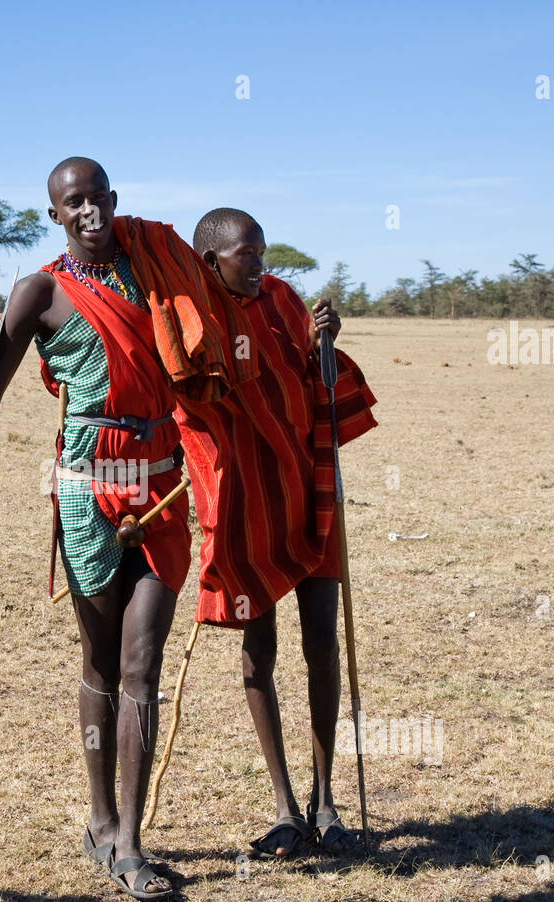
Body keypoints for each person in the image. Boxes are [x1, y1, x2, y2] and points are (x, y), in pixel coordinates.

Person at [0, 158, 250, 902]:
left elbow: (232, 289)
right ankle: (100, 819)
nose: (90, 210)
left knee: (142, 663)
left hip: (162, 483)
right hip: (87, 489)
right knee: (100, 660)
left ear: (115, 202)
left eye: (99, 197)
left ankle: (131, 841)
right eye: (74, 203)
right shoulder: (40, 292)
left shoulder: (156, 269)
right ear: (56, 216)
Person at [179, 207, 377, 858]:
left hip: (307, 482)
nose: (261, 264)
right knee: (257, 645)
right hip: (244, 499)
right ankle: (285, 807)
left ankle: (326, 801)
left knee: (322, 637)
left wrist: (325, 340)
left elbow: (313, 379)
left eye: (263, 251)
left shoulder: (284, 298)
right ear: (212, 260)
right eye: (247, 254)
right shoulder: (193, 313)